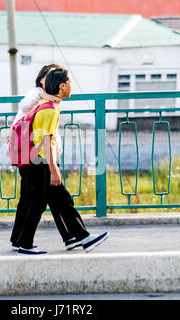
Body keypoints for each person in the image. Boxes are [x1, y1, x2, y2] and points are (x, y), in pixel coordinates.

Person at [14, 67, 109, 255]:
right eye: (70, 83)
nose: (72, 86)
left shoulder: (48, 106)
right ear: (62, 85)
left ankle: (83, 238)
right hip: (41, 162)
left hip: (38, 161)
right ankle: (25, 244)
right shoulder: (49, 110)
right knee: (39, 203)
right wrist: (53, 169)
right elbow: (46, 141)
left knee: (61, 200)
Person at [10, 64, 82, 252]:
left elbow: (49, 132)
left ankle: (70, 236)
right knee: (36, 199)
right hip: (32, 154)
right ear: (42, 78)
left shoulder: (50, 103)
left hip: (38, 153)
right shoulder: (37, 95)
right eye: (50, 76)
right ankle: (23, 241)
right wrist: (46, 96)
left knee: (47, 198)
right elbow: (24, 106)